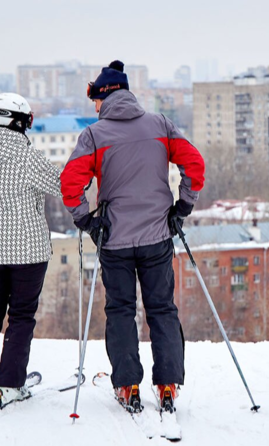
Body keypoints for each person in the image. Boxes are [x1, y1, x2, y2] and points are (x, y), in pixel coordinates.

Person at [60, 60, 205, 412]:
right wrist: (182, 208)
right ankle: (168, 383)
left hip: (114, 241)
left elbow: (69, 183)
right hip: (157, 237)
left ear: (105, 96)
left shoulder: (94, 136)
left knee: (121, 311)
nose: (94, 108)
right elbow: (195, 166)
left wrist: (87, 222)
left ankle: (127, 386)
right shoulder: (160, 125)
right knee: (162, 309)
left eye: (95, 101)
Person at [0, 93, 62, 412]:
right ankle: (10, 384)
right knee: (20, 317)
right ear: (18, 120)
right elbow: (61, 184)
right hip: (26, 251)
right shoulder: (25, 154)